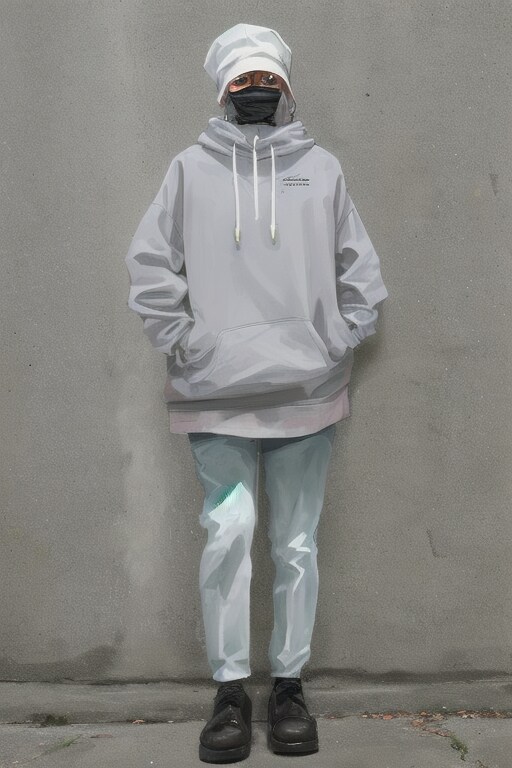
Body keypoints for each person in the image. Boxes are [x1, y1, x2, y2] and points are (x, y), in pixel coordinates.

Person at [124, 22, 387, 763]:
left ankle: (290, 686)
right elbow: (149, 263)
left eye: (267, 78)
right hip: (215, 396)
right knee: (229, 536)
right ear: (221, 89)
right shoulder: (188, 171)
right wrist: (186, 341)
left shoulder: (321, 170)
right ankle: (231, 691)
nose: (256, 90)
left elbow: (362, 272)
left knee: (296, 543)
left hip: (306, 394)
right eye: (242, 80)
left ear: (287, 86)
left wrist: (337, 338)